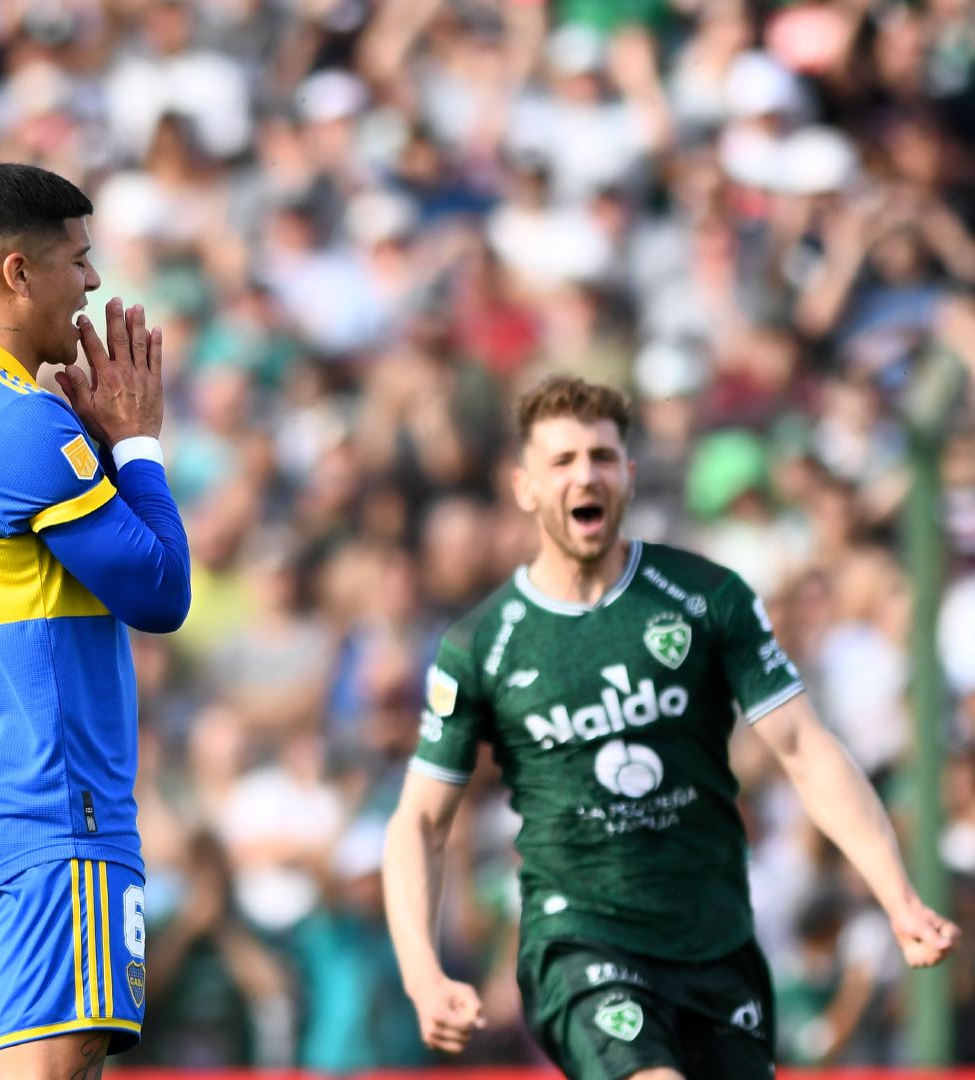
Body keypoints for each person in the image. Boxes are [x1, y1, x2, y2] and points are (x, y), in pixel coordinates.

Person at [382, 375, 961, 1080]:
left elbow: (806, 749)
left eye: (600, 457)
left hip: (715, 945)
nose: (583, 475)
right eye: (561, 461)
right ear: (525, 487)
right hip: (581, 942)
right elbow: (420, 823)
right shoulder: (483, 644)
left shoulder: (706, 599)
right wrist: (422, 973)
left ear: (627, 476)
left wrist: (897, 895)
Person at [0, 162, 191, 1080]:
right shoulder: (19, 426)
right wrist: (136, 442)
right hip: (55, 818)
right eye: (78, 259)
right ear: (18, 273)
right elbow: (160, 591)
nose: (94, 283)